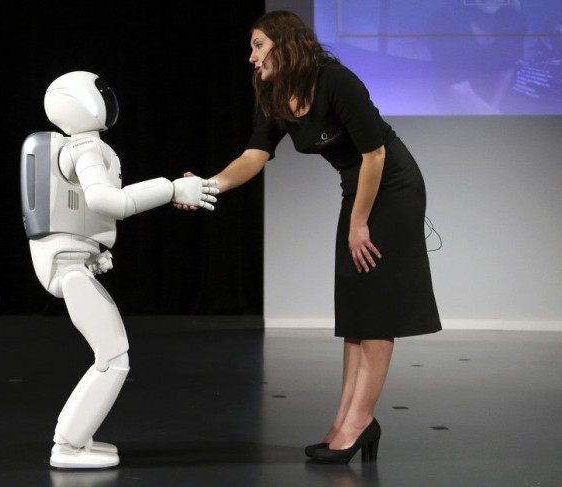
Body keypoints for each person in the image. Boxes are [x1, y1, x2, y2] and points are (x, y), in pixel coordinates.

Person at [175, 10, 441, 463]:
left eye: (259, 45)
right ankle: (346, 421)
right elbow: (254, 155)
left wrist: (359, 223)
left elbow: (374, 154)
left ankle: (359, 420)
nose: (252, 56)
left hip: (391, 185)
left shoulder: (335, 81)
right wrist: (206, 186)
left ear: (285, 42)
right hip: (357, 188)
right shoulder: (274, 95)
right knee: (357, 306)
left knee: (375, 306)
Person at [21, 71, 218, 468]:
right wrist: (174, 189)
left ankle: (76, 440)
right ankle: (68, 446)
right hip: (70, 269)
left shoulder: (78, 146)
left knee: (111, 354)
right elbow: (107, 201)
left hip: (74, 264)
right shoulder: (84, 147)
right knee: (112, 356)